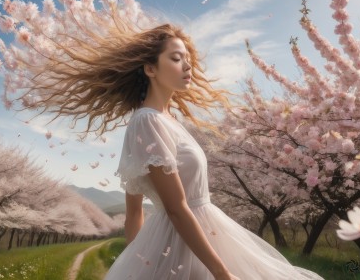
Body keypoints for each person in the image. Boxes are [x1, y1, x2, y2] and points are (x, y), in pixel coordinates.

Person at [99, 24, 325, 280]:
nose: (187, 66)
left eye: (187, 59)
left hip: (203, 236)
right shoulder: (148, 121)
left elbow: (138, 212)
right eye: (176, 58)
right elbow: (165, 209)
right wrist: (220, 273)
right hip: (178, 242)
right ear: (150, 69)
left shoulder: (169, 121)